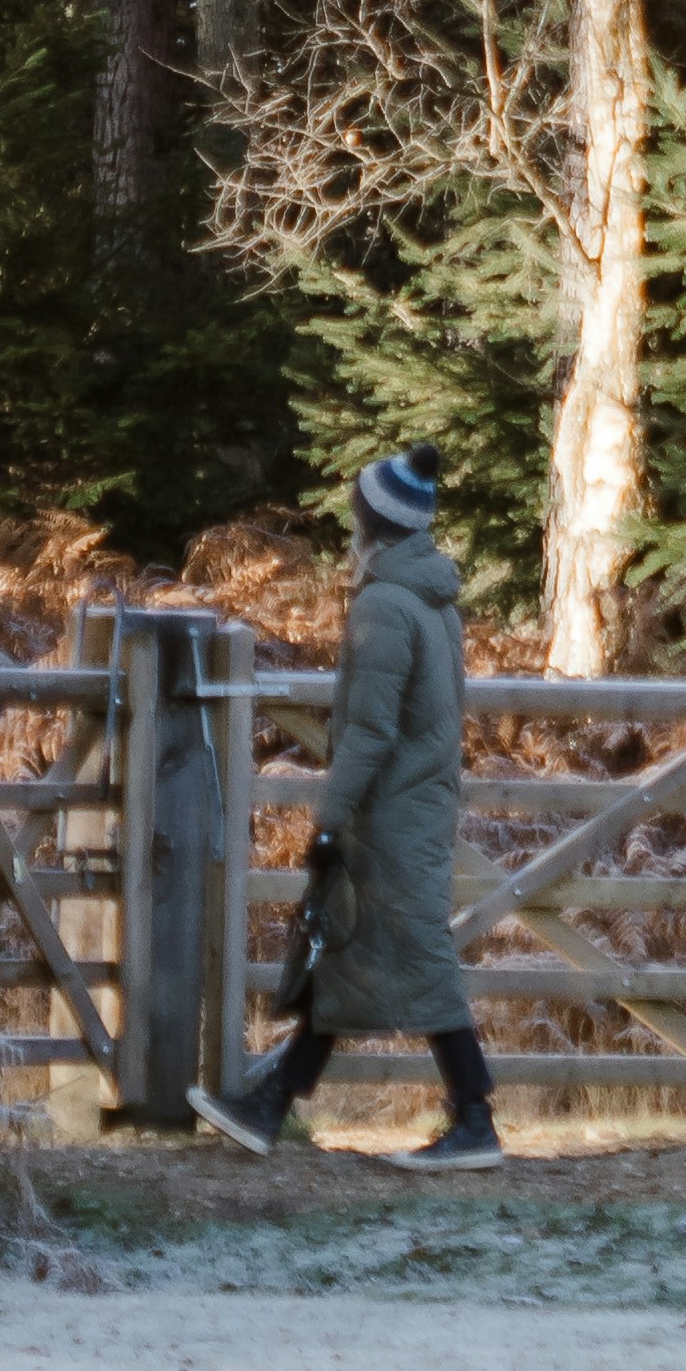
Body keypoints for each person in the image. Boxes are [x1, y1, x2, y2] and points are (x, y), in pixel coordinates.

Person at [212, 451, 503, 1167]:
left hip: (392, 816)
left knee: (420, 958)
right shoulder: (433, 601)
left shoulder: (384, 605)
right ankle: (270, 1106)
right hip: (414, 808)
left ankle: (475, 1120)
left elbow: (370, 731)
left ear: (373, 523)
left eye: (356, 514)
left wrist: (330, 822)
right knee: (339, 949)